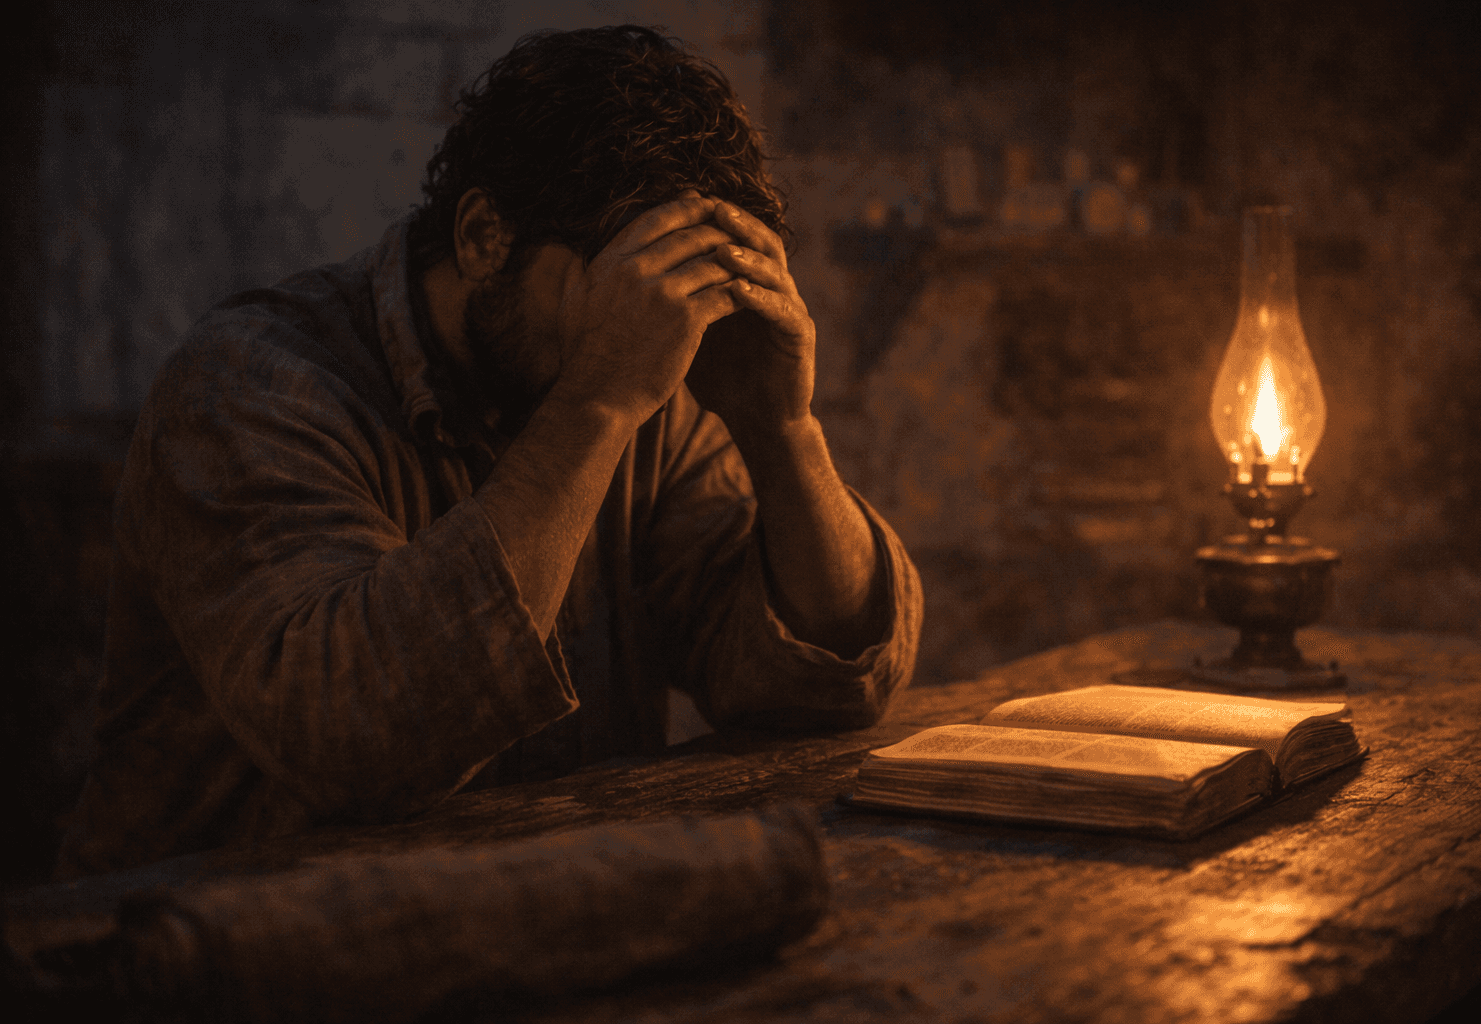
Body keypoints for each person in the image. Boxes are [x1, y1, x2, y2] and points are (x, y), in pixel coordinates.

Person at [56, 25, 922, 878]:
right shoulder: (247, 387)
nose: (649, 327)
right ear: (481, 237)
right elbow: (355, 740)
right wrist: (599, 399)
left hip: (529, 924)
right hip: (211, 957)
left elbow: (812, 685)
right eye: (622, 283)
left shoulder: (647, 399)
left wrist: (783, 430)